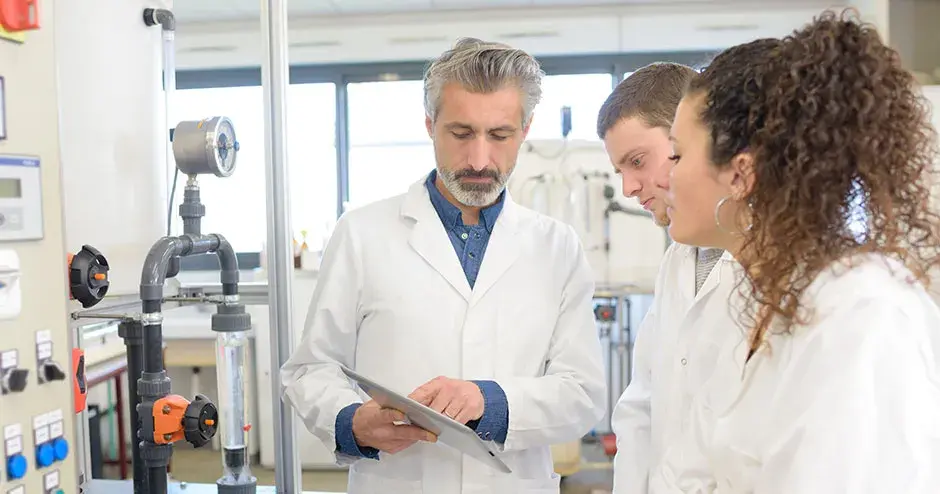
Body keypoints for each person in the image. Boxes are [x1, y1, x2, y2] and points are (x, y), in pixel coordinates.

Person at [280, 38, 606, 494]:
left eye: (499, 136)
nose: (479, 160)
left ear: (525, 129)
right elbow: (311, 369)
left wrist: (489, 401)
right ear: (430, 125)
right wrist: (350, 421)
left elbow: (583, 392)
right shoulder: (362, 233)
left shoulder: (557, 246)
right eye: (460, 133)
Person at [654, 10, 940, 492]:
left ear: (741, 174)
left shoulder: (860, 313)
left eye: (678, 155)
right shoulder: (759, 300)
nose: (666, 176)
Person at [596, 60, 757, 494]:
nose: (629, 187)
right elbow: (641, 408)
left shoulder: (773, 267)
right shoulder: (677, 262)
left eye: (637, 161)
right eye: (620, 171)